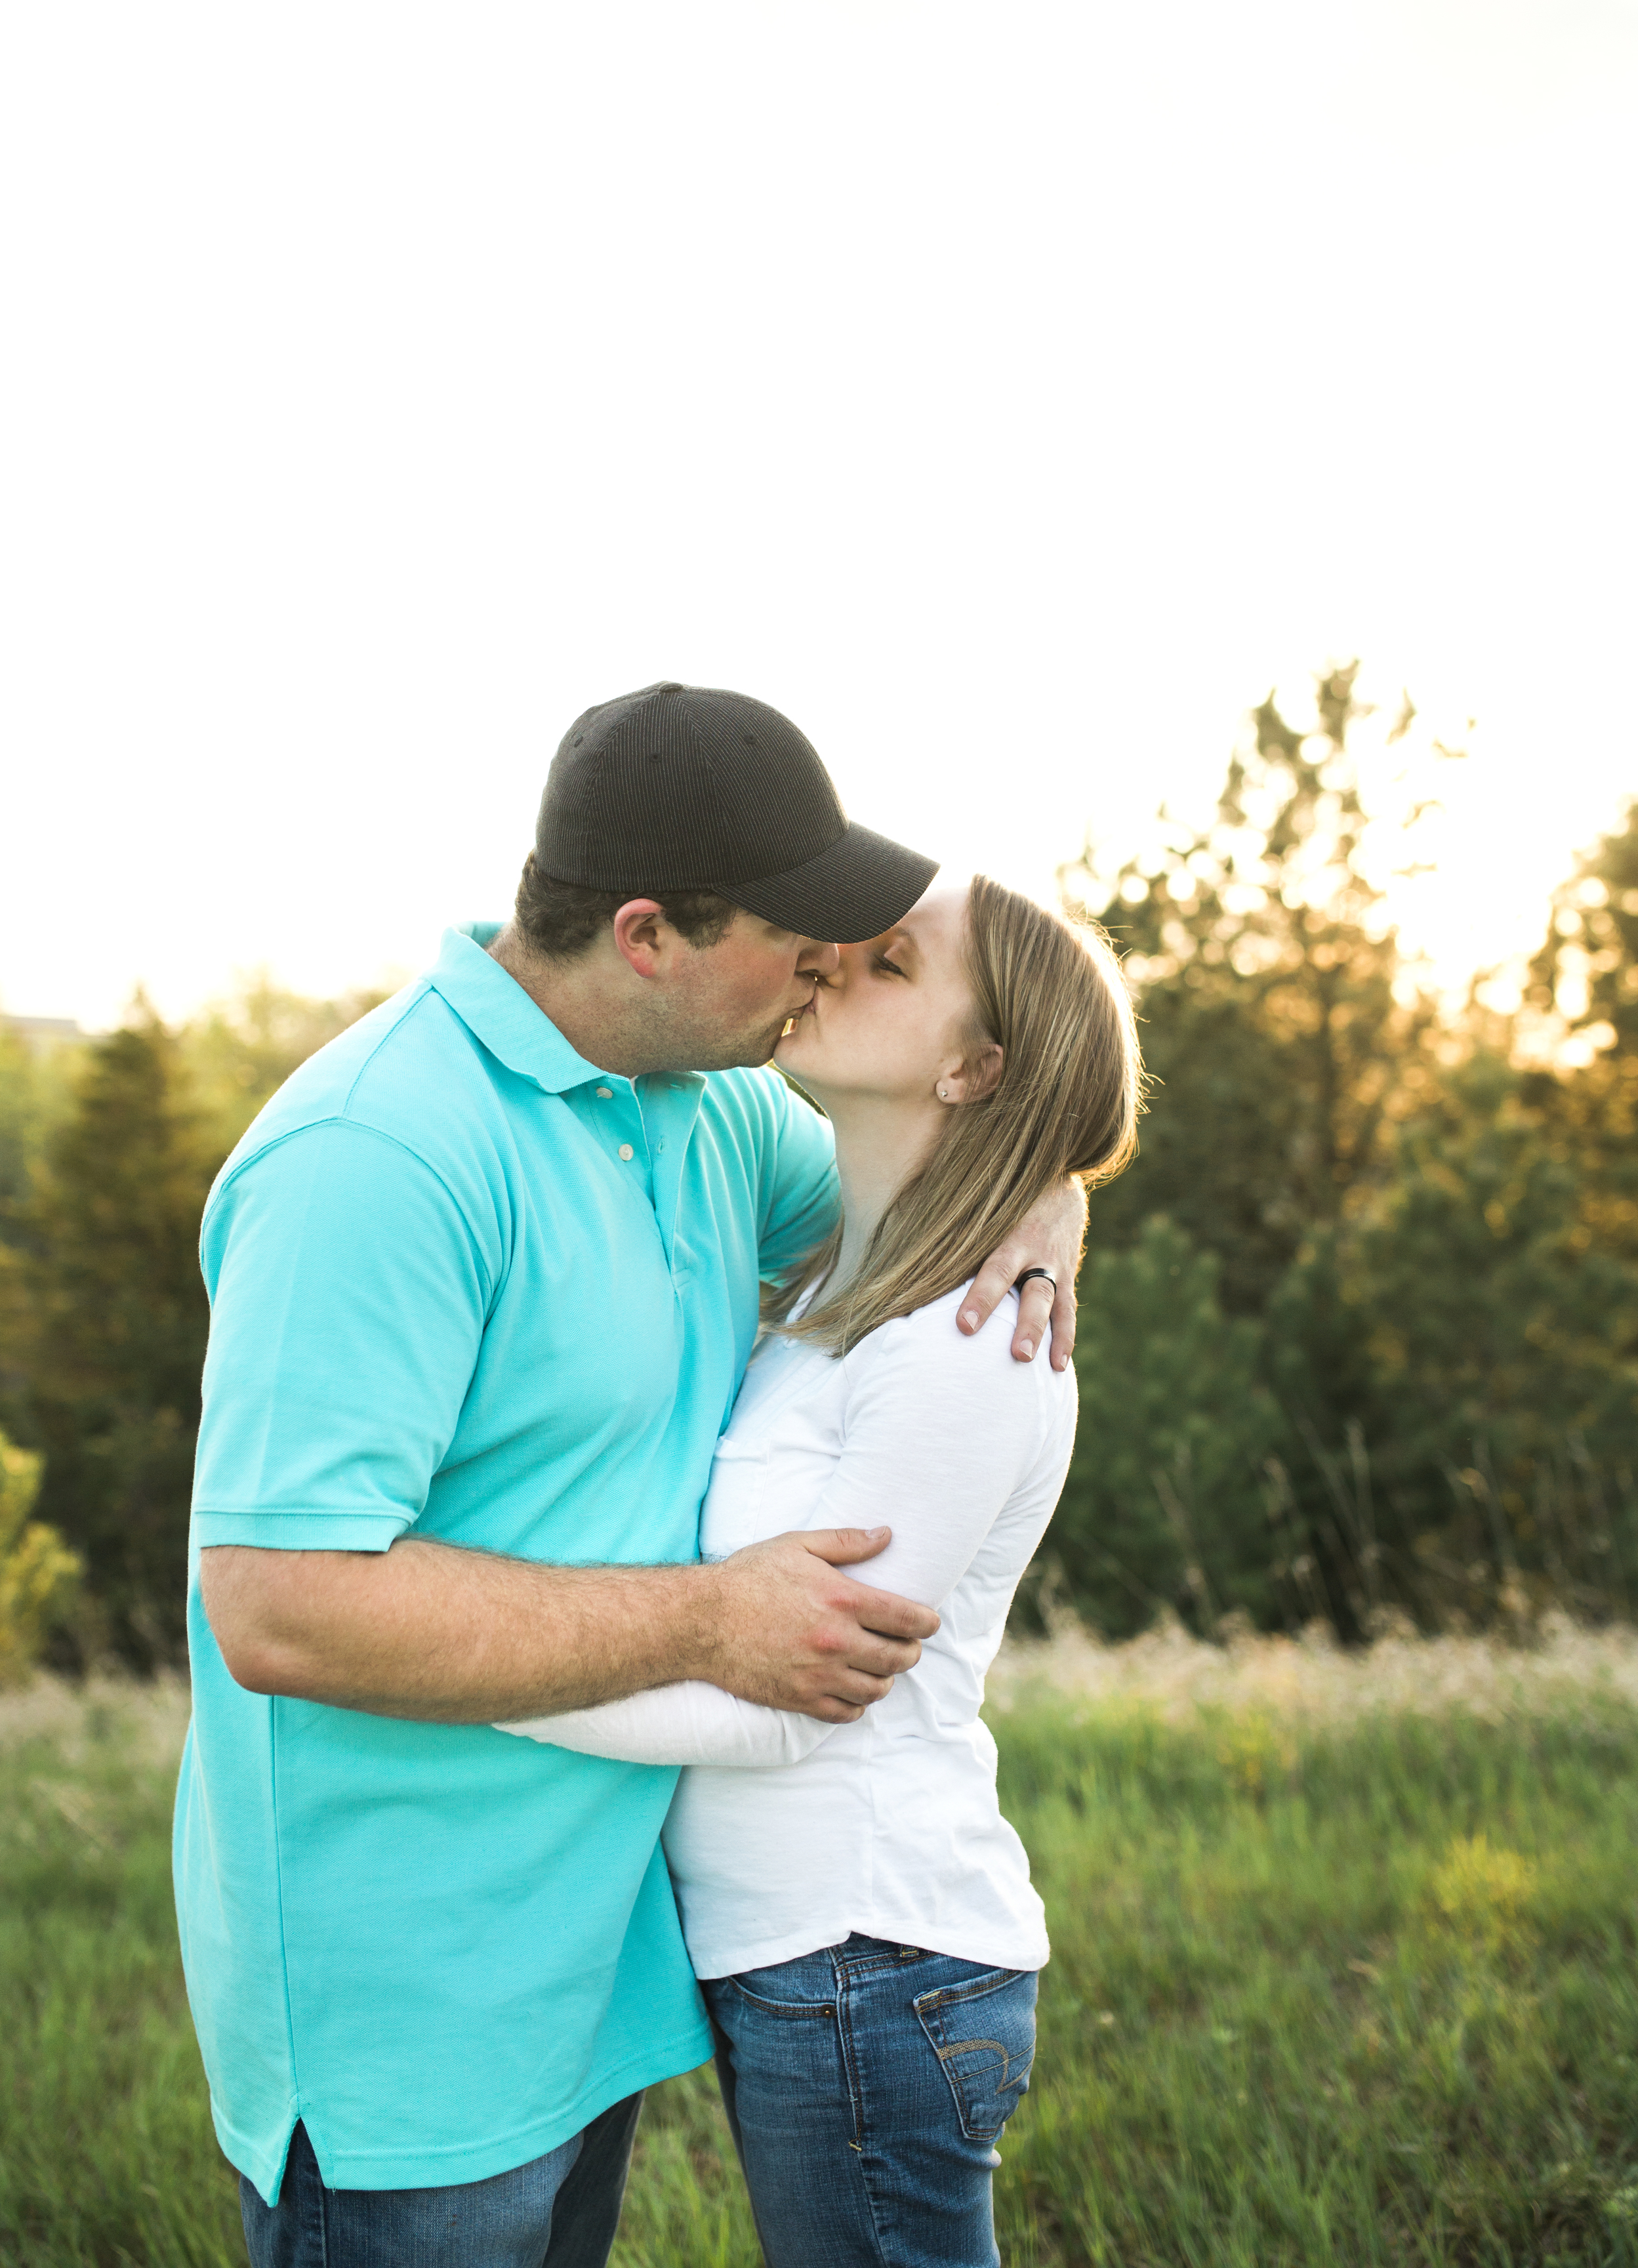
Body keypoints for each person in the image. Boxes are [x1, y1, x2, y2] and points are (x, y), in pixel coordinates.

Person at [178, 681, 1089, 2268]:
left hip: (599, 1969)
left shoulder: (715, 1111)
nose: (822, 965)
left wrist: (1052, 1196)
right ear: (651, 934)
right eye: (796, 932)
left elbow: (939, 1179)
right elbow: (279, 1607)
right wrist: (701, 1621)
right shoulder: (375, 1158)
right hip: (406, 2003)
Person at [501, 871, 1139, 2267]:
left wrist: (458, 1672)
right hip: (797, 1952)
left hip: (869, 1956)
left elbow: (795, 1696)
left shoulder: (968, 1346)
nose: (830, 961)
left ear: (973, 1068)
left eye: (891, 964)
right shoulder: (822, 1295)